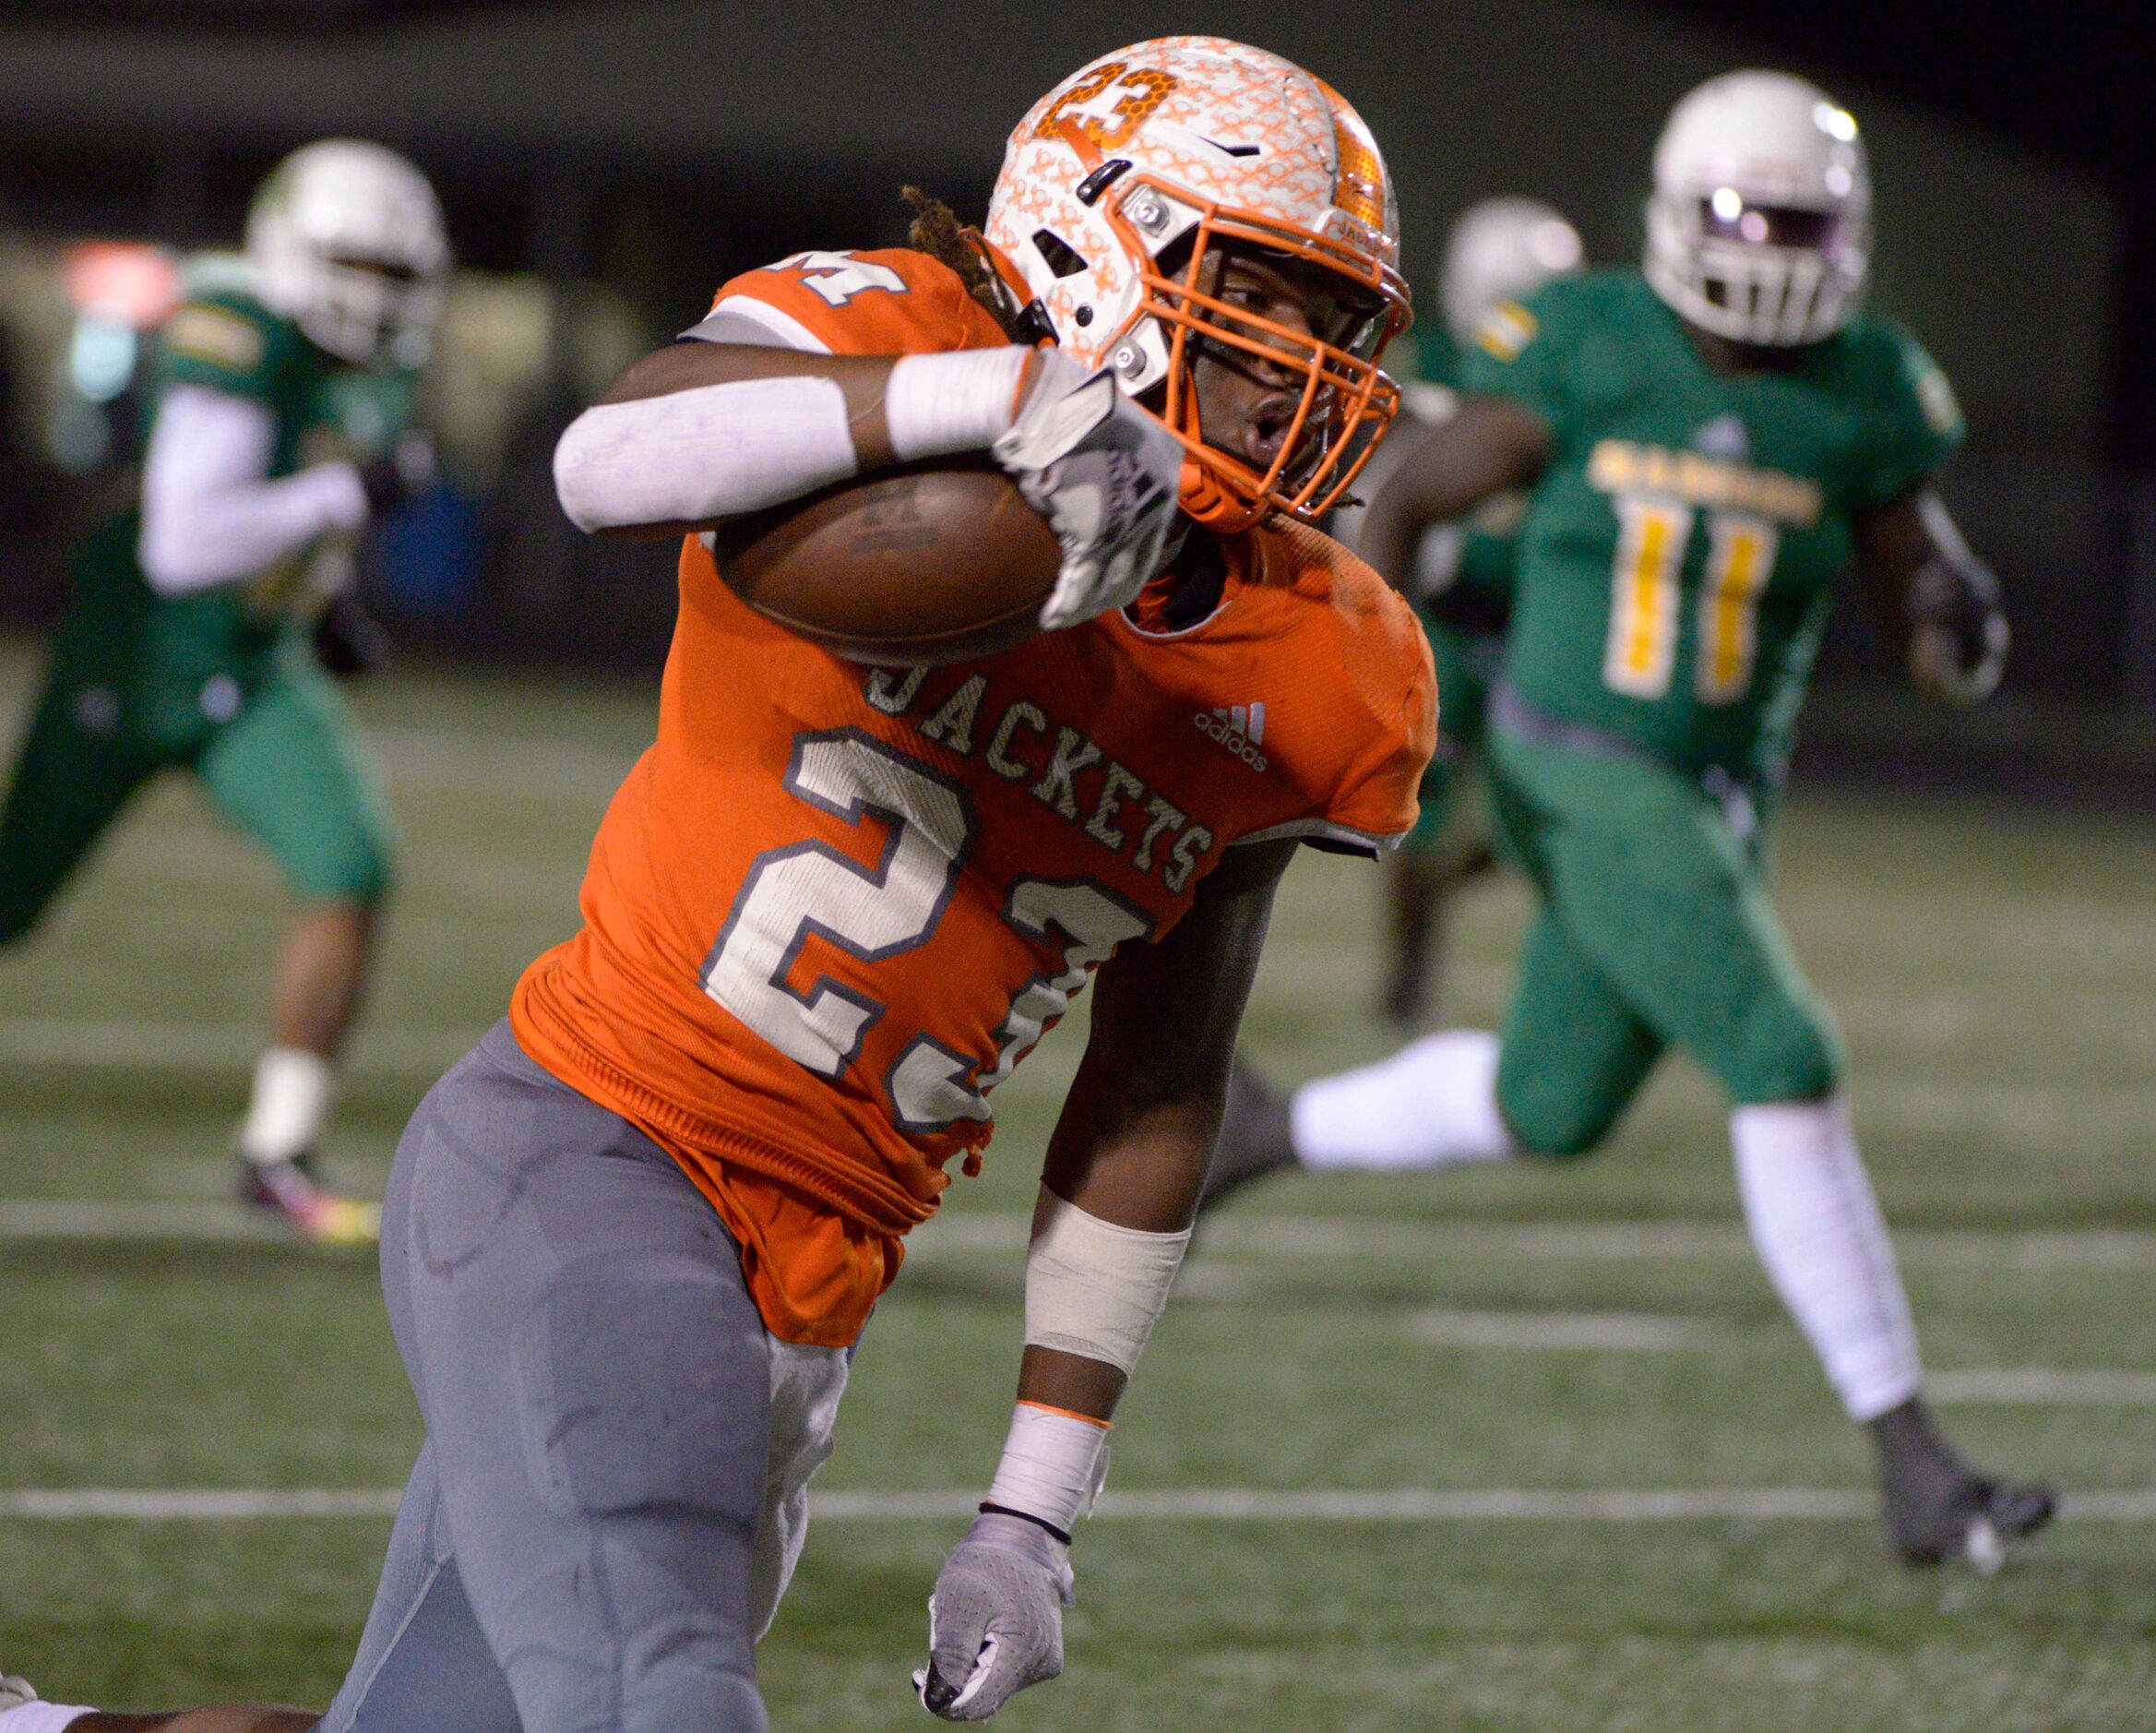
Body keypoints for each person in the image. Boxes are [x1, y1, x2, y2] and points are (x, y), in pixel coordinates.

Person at [0, 38, 1433, 1732]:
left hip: (806, 1302)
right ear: (1093, 241)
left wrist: (1033, 1510)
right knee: (663, 1702)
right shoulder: (903, 335)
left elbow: (1156, 1085)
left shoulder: (1332, 669)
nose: (1306, 376)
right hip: (593, 1159)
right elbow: (606, 463)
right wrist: (991, 406)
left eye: (1336, 330)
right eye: (1265, 297)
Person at [1200, 69, 2054, 1570]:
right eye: (1755, 214)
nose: (1778, 247)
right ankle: (1913, 1458)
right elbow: (1411, 492)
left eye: (1805, 219)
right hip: (1574, 757)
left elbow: (1924, 600)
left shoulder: (1867, 390)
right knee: (1782, 1054)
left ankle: (1262, 1128)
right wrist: (1373, 671)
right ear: (1680, 216)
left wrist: (1952, 620)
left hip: (1713, 796)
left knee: (1552, 1101)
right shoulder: (1595, 343)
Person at [0, 140, 447, 1242]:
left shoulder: (379, 374)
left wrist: (325, 600)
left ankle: (277, 1152)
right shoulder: (233, 325)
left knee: (349, 863)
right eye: (357, 266)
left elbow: (294, 516)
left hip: (250, 665)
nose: (373, 297)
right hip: (137, 660)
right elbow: (185, 542)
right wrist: (349, 491)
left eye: (396, 277)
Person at [1336, 197, 1584, 1024]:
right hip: (1442, 617)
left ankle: (1445, 890)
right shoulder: (1423, 366)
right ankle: (1408, 973)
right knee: (1418, 813)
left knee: (1546, 814)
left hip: (1534, 626)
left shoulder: (1578, 384)